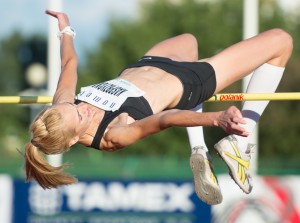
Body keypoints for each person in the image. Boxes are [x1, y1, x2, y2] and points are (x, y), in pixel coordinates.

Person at [24, 9, 293, 206]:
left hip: (150, 64)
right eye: (81, 117)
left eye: (77, 106)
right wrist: (216, 118)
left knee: (188, 40)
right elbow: (167, 119)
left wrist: (65, 30)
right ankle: (239, 143)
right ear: (73, 140)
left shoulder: (62, 109)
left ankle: (199, 149)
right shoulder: (113, 135)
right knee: (281, 41)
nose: (85, 109)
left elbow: (69, 63)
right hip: (189, 83)